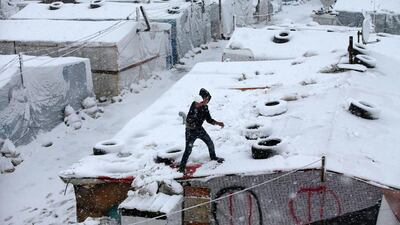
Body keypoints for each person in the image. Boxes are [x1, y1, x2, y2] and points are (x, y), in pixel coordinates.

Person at [178, 88, 225, 173]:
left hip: (200, 130)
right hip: (190, 131)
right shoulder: (195, 105)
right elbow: (189, 120)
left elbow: (209, 120)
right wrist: (192, 123)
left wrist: (218, 123)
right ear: (202, 98)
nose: (207, 100)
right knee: (188, 150)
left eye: (208, 99)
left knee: (210, 143)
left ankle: (213, 157)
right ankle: (181, 168)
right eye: (206, 98)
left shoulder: (205, 107)